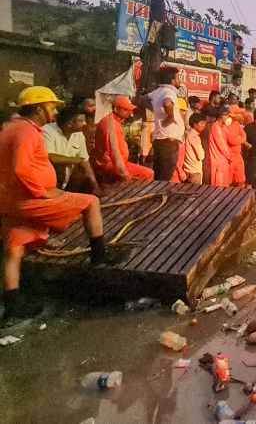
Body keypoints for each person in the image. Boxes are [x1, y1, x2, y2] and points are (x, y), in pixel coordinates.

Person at [0, 87, 108, 323]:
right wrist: (43, 192)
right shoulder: (28, 133)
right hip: (29, 199)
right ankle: (100, 259)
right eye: (52, 106)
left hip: (10, 201)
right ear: (39, 108)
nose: (55, 110)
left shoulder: (10, 129)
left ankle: (12, 305)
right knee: (91, 202)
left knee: (14, 247)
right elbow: (20, 169)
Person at [93, 96, 154, 182]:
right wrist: (124, 174)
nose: (130, 113)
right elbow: (114, 154)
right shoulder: (110, 125)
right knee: (148, 174)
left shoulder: (114, 121)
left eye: (130, 110)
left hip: (119, 163)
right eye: (126, 110)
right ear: (116, 109)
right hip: (111, 165)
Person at [43, 104, 98, 193]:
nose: (85, 123)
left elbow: (85, 161)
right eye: (81, 121)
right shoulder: (47, 131)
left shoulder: (79, 134)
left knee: (83, 174)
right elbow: (50, 157)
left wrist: (95, 186)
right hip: (48, 180)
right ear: (69, 124)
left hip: (66, 180)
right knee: (61, 168)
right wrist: (76, 160)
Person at [148, 67, 184, 181]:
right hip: (169, 143)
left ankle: (157, 198)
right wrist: (170, 117)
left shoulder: (156, 92)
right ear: (172, 80)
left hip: (160, 140)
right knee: (165, 178)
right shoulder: (169, 91)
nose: (179, 80)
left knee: (159, 177)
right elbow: (167, 103)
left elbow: (141, 98)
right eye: (178, 78)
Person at [175, 113, 206, 185]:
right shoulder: (195, 137)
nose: (204, 125)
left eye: (204, 123)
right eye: (201, 123)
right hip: (194, 171)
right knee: (195, 194)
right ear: (195, 124)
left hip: (186, 170)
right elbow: (201, 156)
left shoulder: (186, 134)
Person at [207, 105, 233, 186]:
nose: (228, 117)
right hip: (219, 162)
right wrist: (230, 157)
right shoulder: (216, 127)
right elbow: (222, 145)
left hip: (223, 162)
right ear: (222, 115)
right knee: (218, 190)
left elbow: (230, 138)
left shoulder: (222, 126)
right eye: (227, 115)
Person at [227, 108, 249, 186]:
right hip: (230, 157)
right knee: (229, 182)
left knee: (241, 180)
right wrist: (241, 139)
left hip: (238, 156)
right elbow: (232, 141)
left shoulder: (236, 124)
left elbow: (244, 135)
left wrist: (240, 139)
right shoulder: (227, 125)